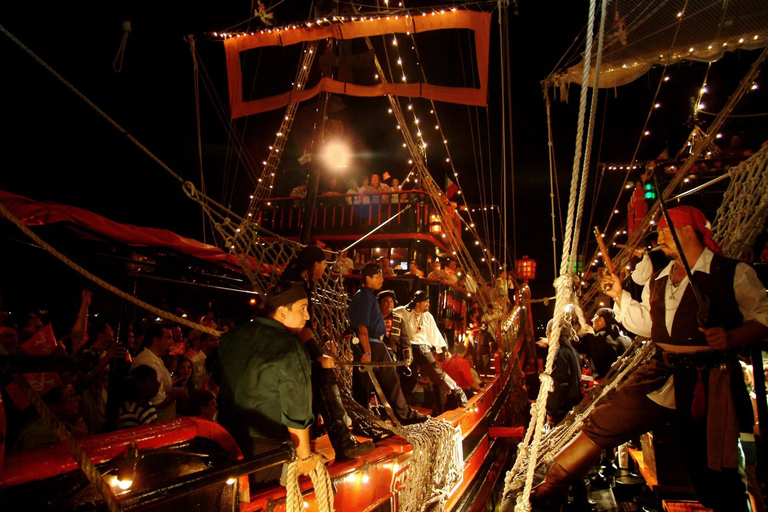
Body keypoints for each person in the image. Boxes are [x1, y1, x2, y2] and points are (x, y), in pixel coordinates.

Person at [533, 206, 768, 512]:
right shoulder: (660, 278)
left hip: (710, 379)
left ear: (687, 232)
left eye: (665, 231)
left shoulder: (731, 273)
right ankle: (551, 483)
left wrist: (732, 337)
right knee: (605, 419)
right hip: (661, 370)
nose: (659, 238)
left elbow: (764, 316)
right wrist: (620, 296)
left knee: (711, 464)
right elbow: (647, 324)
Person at [215, 282, 326, 483]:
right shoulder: (290, 348)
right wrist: (304, 457)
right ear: (282, 312)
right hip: (267, 449)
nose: (307, 316)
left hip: (225, 442)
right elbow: (297, 410)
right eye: (302, 309)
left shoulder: (232, 337)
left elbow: (216, 380)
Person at [281, 246, 375, 460]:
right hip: (288, 344)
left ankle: (339, 441)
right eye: (324, 264)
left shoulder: (300, 282)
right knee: (325, 374)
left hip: (294, 342)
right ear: (314, 264)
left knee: (323, 378)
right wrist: (318, 353)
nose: (325, 269)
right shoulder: (296, 285)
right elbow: (300, 326)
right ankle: (342, 441)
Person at [349, 263, 429, 425]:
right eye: (377, 276)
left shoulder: (366, 296)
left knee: (370, 384)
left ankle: (365, 421)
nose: (381, 279)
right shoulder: (365, 297)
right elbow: (362, 327)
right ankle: (400, 415)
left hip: (372, 344)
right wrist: (367, 352)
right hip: (371, 345)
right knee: (373, 384)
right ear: (367, 278)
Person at [394, 290, 467, 412]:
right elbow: (390, 313)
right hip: (408, 349)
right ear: (419, 302)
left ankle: (457, 391)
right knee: (409, 380)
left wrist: (444, 349)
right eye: (426, 302)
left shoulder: (428, 316)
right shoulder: (404, 312)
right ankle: (398, 407)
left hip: (423, 349)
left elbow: (435, 333)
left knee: (436, 372)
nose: (428, 304)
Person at [131, 325, 187, 422]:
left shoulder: (155, 359)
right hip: (155, 423)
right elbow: (156, 401)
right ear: (156, 340)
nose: (172, 342)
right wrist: (175, 394)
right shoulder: (149, 362)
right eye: (168, 338)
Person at [540, 318, 583, 426]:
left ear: (550, 333)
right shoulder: (573, 352)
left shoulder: (560, 354)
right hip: (573, 406)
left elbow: (557, 386)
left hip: (562, 413)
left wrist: (551, 412)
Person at [573, 308, 631, 379]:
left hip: (604, 384)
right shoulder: (627, 340)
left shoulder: (594, 339)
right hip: (624, 381)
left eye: (595, 317)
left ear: (601, 320)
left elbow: (572, 345)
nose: (592, 320)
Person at [117, 365, 160, 429]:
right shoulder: (129, 413)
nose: (158, 384)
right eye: (153, 381)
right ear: (140, 384)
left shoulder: (149, 405)